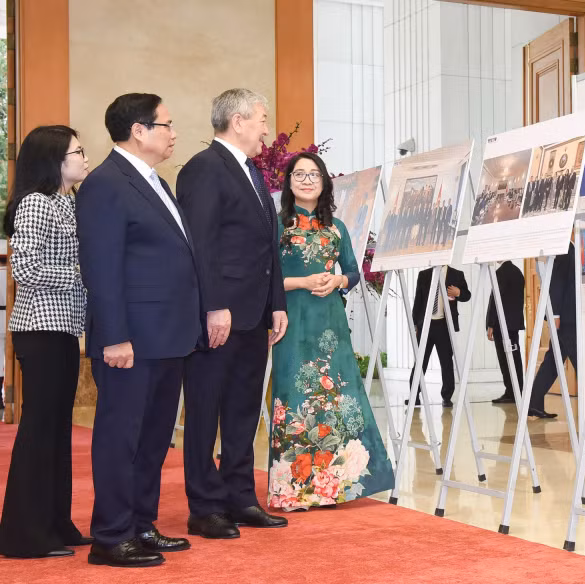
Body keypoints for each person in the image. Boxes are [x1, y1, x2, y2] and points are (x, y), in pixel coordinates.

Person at [77, 93, 201, 567]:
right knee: (120, 436)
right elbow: (101, 267)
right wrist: (113, 336)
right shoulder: (107, 183)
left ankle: (141, 524)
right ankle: (111, 534)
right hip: (131, 338)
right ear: (138, 130)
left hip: (168, 335)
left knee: (153, 437)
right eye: (167, 125)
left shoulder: (156, 183)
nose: (173, 133)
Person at [176, 88, 288, 538]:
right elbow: (200, 246)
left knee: (243, 410)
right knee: (205, 411)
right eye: (262, 118)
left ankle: (240, 497)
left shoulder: (253, 173)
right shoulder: (204, 169)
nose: (266, 127)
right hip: (218, 316)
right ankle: (204, 507)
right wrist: (213, 306)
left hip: (254, 314)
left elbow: (267, 244)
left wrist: (276, 302)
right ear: (238, 120)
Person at [268, 152, 394, 510]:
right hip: (292, 319)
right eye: (299, 174)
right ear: (289, 182)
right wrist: (301, 282)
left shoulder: (336, 227)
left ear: (324, 183)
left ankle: (334, 485)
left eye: (314, 174)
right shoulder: (278, 224)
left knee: (339, 397)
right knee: (294, 395)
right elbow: (268, 276)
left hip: (330, 323)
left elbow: (353, 271)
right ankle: (293, 489)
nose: (307, 180)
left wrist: (338, 279)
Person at [0, 126, 90, 559]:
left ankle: (56, 522)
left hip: (63, 328)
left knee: (56, 430)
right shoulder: (36, 203)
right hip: (40, 328)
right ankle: (24, 534)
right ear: (54, 159)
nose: (84, 158)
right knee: (38, 430)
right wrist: (82, 276)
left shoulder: (68, 202)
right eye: (77, 151)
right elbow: (28, 271)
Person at [408, 265, 471, 408]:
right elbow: (418, 300)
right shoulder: (424, 274)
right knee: (420, 361)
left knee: (446, 362)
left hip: (444, 325)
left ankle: (447, 397)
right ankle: (414, 396)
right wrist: (415, 325)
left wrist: (458, 292)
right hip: (425, 324)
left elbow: (467, 295)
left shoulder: (457, 274)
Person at [529, 241, 577, 419]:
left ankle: (533, 403)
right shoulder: (564, 247)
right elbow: (556, 283)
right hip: (566, 317)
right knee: (578, 359)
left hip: (566, 315)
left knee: (553, 360)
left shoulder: (568, 247)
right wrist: (554, 315)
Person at [487, 261, 525, 405]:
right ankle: (518, 390)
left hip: (501, 324)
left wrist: (491, 324)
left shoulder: (500, 273)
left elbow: (496, 300)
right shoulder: (518, 272)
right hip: (513, 324)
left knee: (504, 359)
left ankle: (510, 392)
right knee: (515, 357)